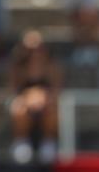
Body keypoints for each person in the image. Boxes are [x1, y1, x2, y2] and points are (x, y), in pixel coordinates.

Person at [8, 29, 62, 164]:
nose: (34, 52)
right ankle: (21, 142)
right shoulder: (17, 68)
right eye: (30, 49)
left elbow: (56, 90)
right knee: (18, 108)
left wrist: (42, 98)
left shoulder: (52, 67)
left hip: (46, 103)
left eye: (38, 48)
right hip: (25, 103)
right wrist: (29, 97)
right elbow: (14, 91)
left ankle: (48, 143)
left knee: (53, 109)